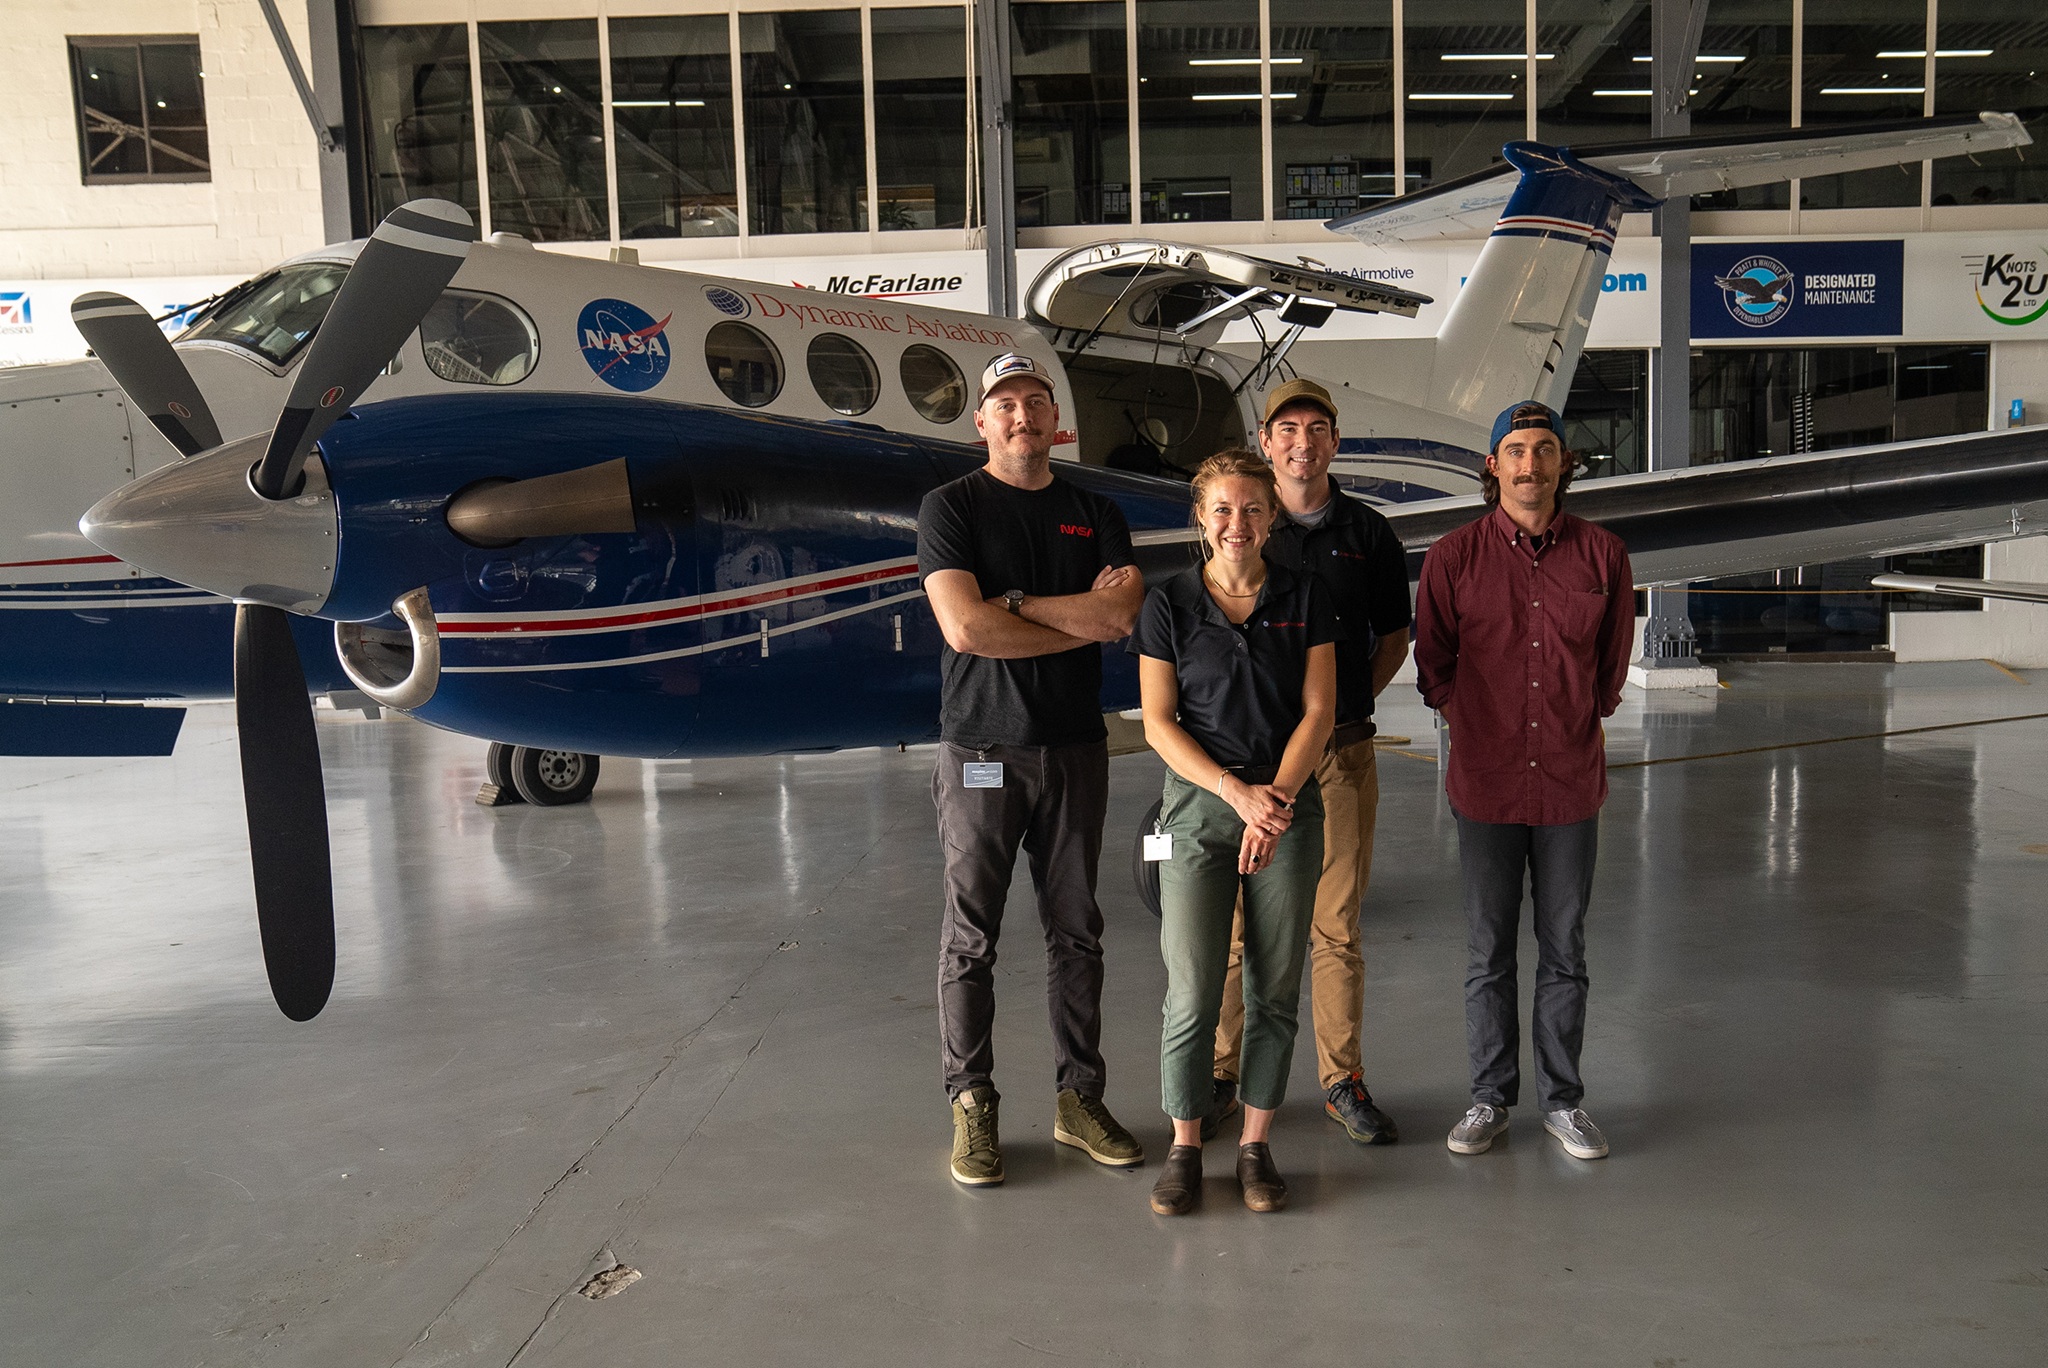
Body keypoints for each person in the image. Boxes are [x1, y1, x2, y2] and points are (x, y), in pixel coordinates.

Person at [918, 352, 1148, 1187]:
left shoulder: (1095, 509)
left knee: (1076, 931)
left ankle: (1078, 1099)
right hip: (981, 750)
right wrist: (1071, 623)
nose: (1021, 416)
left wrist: (1012, 604)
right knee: (971, 936)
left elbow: (1120, 614)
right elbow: (966, 632)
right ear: (982, 421)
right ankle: (972, 1101)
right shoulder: (950, 507)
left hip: (1074, 751)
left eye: (1035, 402)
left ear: (1059, 421)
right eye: (1004, 404)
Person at [1412, 400, 1634, 1162]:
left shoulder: (1604, 557)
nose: (1530, 464)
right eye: (1516, 450)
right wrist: (1478, 722)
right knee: (1488, 951)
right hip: (1488, 785)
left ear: (1563, 463)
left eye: (1544, 449)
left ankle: (1564, 1102)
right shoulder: (1453, 558)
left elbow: (1610, 670)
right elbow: (1434, 666)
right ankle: (1488, 1097)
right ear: (1492, 466)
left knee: (1565, 948)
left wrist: (1578, 717)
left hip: (1571, 785)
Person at [1131, 449, 1338, 1215]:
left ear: (1272, 516)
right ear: (1200, 517)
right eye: (1222, 509)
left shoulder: (1305, 595)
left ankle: (1254, 1143)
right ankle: (1186, 1145)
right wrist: (1236, 797)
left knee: (1275, 987)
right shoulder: (1170, 603)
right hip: (1199, 807)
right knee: (1191, 989)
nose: (1237, 523)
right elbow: (1158, 722)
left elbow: (1319, 710)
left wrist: (1274, 801)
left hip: (1287, 804)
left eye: (1252, 509)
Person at [1207, 378, 1413, 1148]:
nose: (1302, 441)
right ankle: (1222, 1076)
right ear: (1266, 442)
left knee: (1336, 927)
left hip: (1342, 755)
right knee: (1235, 927)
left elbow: (1393, 636)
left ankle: (1341, 1080)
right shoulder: (1246, 530)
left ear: (1335, 440)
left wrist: (1344, 708)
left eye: (1317, 427)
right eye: (1286, 428)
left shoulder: (1369, 533)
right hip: (1252, 764)